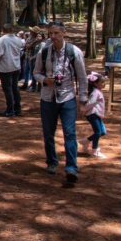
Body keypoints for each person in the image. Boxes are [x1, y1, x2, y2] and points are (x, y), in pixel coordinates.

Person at [33, 21, 87, 183]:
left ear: (64, 33)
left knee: (70, 133)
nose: (53, 37)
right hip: (48, 98)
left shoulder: (74, 52)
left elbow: (83, 78)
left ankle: (72, 168)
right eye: (51, 33)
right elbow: (35, 72)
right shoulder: (44, 52)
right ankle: (52, 162)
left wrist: (83, 100)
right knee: (48, 133)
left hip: (67, 97)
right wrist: (44, 80)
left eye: (56, 33)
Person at [0, 24, 24, 117]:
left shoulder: (2, 40)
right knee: (15, 88)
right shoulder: (18, 39)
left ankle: (10, 110)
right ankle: (17, 108)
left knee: (8, 89)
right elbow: (21, 51)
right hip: (16, 67)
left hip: (6, 68)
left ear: (3, 30)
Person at [82, 72, 107, 159]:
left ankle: (86, 141)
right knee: (98, 132)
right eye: (102, 82)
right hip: (93, 114)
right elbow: (90, 103)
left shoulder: (98, 91)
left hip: (97, 115)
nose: (104, 84)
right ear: (95, 84)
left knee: (103, 132)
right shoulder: (95, 92)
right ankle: (95, 151)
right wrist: (85, 110)